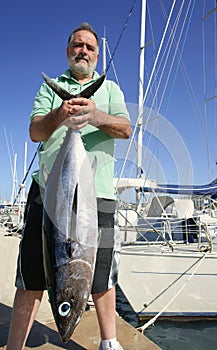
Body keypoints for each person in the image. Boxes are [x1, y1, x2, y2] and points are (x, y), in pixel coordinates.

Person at [7, 23, 131, 350]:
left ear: (97, 54)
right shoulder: (51, 88)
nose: (83, 51)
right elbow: (35, 131)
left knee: (102, 275)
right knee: (33, 274)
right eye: (78, 45)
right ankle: (16, 346)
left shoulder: (110, 90)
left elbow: (125, 128)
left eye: (89, 47)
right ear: (68, 51)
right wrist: (61, 114)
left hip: (98, 194)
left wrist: (95, 116)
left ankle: (109, 342)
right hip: (47, 192)